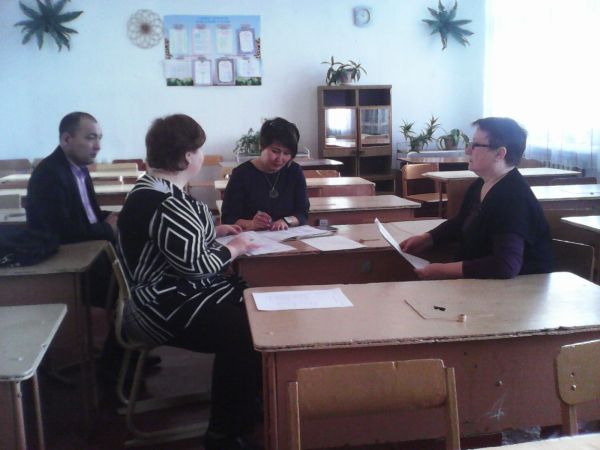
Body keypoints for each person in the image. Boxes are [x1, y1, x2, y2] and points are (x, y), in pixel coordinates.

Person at [117, 114, 261, 450]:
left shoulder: (149, 188)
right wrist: (235, 247)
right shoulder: (168, 203)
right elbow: (197, 267)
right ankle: (224, 434)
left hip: (166, 294)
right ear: (187, 157)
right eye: (199, 150)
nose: (200, 155)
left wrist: (214, 232)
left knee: (255, 303)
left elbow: (176, 244)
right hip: (159, 306)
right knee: (248, 332)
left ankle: (247, 401)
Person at [400, 117, 553, 280]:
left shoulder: (513, 197)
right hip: (488, 284)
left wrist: (444, 270)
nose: (467, 151)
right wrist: (427, 238)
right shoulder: (482, 183)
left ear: (500, 154)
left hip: (520, 288)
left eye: (475, 145)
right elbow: (461, 221)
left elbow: (505, 265)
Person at [26, 111, 118, 243]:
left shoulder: (81, 169)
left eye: (99, 138)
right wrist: (107, 228)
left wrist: (114, 217)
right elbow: (62, 233)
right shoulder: (48, 175)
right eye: (91, 138)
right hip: (70, 252)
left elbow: (88, 216)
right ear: (66, 140)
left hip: (90, 244)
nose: (98, 146)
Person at [221, 117, 310, 231]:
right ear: (261, 146)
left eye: (287, 153)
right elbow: (228, 218)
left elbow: (302, 213)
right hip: (250, 237)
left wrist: (285, 221)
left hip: (287, 235)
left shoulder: (294, 171)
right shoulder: (242, 174)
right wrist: (251, 224)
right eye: (275, 151)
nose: (280, 159)